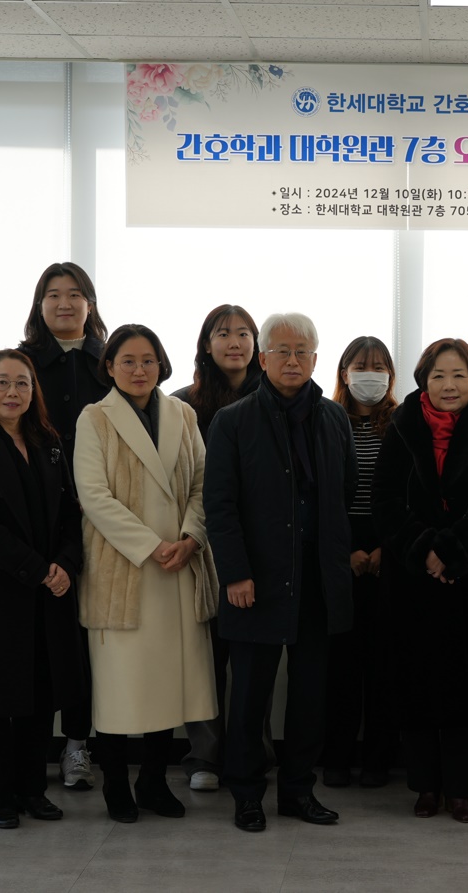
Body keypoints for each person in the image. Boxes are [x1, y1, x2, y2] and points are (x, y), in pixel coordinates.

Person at [204, 312, 356, 833]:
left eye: (303, 351)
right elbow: (218, 506)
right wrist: (236, 574)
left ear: (316, 359)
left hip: (318, 581)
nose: (292, 360)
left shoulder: (334, 419)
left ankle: (297, 792)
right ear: (262, 358)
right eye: (282, 351)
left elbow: (347, 493)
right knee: (248, 696)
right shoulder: (233, 421)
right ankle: (246, 794)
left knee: (311, 695)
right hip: (256, 583)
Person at [74, 325, 219, 823]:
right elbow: (93, 496)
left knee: (167, 686)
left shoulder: (183, 413)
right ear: (109, 366)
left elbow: (203, 483)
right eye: (128, 361)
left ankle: (155, 782)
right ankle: (117, 785)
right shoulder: (94, 418)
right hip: (125, 568)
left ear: (162, 365)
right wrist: (149, 545)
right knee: (119, 688)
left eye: (149, 360)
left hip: (179, 563)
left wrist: (190, 537)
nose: (139, 370)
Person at [0, 349, 90, 829]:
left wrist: (66, 563)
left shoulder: (48, 441)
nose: (12, 392)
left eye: (22, 383)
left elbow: (71, 513)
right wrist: (39, 569)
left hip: (47, 587)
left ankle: (32, 789)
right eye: (1, 383)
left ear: (34, 391)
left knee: (39, 692)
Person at [375, 339, 468, 823]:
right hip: (412, 576)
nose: (448, 385)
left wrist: (451, 552)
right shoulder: (401, 428)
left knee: (467, 681)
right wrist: (425, 551)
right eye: (438, 376)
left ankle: (460, 787)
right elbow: (387, 502)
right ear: (423, 381)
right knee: (416, 679)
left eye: (458, 375)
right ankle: (424, 785)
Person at [18, 262, 110, 791]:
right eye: (52, 295)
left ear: (90, 304)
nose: (64, 304)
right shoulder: (22, 361)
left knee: (87, 635)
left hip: (102, 515)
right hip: (41, 516)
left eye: (75, 295)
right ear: (39, 305)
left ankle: (79, 745)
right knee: (40, 634)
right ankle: (30, 748)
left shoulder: (110, 360)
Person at [172, 305, 269, 793]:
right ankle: (205, 753)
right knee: (203, 656)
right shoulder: (183, 404)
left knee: (254, 656)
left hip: (258, 549)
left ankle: (251, 749)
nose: (235, 341)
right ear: (206, 344)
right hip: (197, 544)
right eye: (223, 333)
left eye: (244, 333)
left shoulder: (275, 397)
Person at [321, 336, 399, 789]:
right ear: (344, 371)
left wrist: (388, 546)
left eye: (378, 365)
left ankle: (378, 758)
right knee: (340, 663)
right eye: (359, 364)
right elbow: (322, 493)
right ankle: (336, 756)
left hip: (392, 549)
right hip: (339, 549)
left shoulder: (403, 421)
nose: (369, 373)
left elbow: (409, 491)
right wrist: (345, 549)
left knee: (385, 662)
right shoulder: (328, 420)